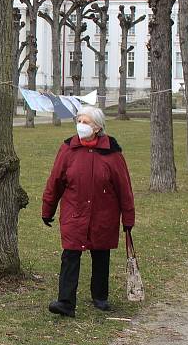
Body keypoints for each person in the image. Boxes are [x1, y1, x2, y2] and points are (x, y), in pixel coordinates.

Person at [41, 106, 135, 317]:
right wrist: (48, 208)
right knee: (70, 255)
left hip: (104, 214)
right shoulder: (68, 149)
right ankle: (66, 302)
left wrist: (128, 218)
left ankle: (100, 297)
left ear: (98, 127)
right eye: (79, 121)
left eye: (86, 122)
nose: (81, 125)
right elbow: (55, 182)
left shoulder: (112, 153)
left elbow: (124, 188)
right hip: (75, 212)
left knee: (101, 254)